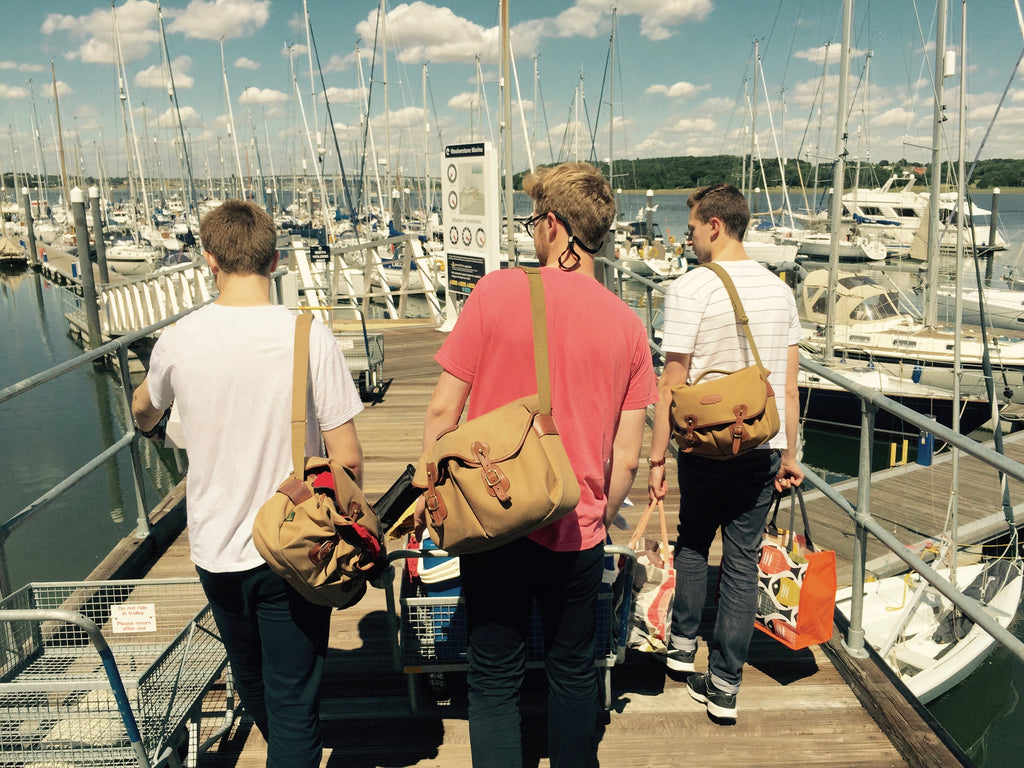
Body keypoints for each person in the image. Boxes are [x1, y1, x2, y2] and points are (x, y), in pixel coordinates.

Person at [420, 162, 658, 767]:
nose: (531, 232)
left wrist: (435, 496)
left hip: (493, 512)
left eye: (533, 222)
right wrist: (598, 509)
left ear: (553, 225)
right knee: (575, 672)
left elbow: (442, 414)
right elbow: (625, 457)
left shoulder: (498, 291)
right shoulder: (630, 327)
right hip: (576, 524)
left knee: (494, 676)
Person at [132, 200, 364, 768]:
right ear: (276, 259)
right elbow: (350, 460)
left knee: (252, 680)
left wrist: (152, 418)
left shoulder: (180, 339)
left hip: (215, 548)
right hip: (294, 547)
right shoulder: (309, 336)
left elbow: (142, 410)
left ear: (208, 260)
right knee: (293, 701)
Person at [646, 182, 802, 723]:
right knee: (741, 560)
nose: (687, 238)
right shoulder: (780, 291)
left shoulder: (690, 288)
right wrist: (790, 454)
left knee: (693, 540)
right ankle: (726, 685)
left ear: (714, 225)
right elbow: (788, 383)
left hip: (703, 444)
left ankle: (684, 647)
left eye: (690, 228)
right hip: (761, 445)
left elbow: (671, 382)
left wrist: (657, 458)